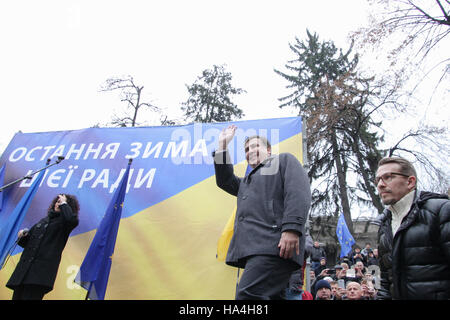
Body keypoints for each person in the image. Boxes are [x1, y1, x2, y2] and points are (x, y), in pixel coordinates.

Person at [213, 125, 311, 300]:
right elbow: (225, 180)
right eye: (247, 149)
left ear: (268, 149)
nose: (250, 151)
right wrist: (222, 147)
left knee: (247, 297)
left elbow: (298, 191)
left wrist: (292, 228)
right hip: (256, 251)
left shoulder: (284, 161)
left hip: (275, 247)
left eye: (255, 146)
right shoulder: (246, 183)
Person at [375, 157, 450, 300]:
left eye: (388, 177)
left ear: (410, 182)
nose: (380, 185)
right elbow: (385, 281)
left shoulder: (441, 210)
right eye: (378, 180)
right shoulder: (384, 223)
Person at [6, 194, 79, 300]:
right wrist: (23, 237)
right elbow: (27, 244)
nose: (58, 203)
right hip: (23, 273)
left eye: (62, 202)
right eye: (57, 201)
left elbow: (70, 220)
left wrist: (64, 204)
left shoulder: (64, 223)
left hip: (38, 276)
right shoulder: (43, 222)